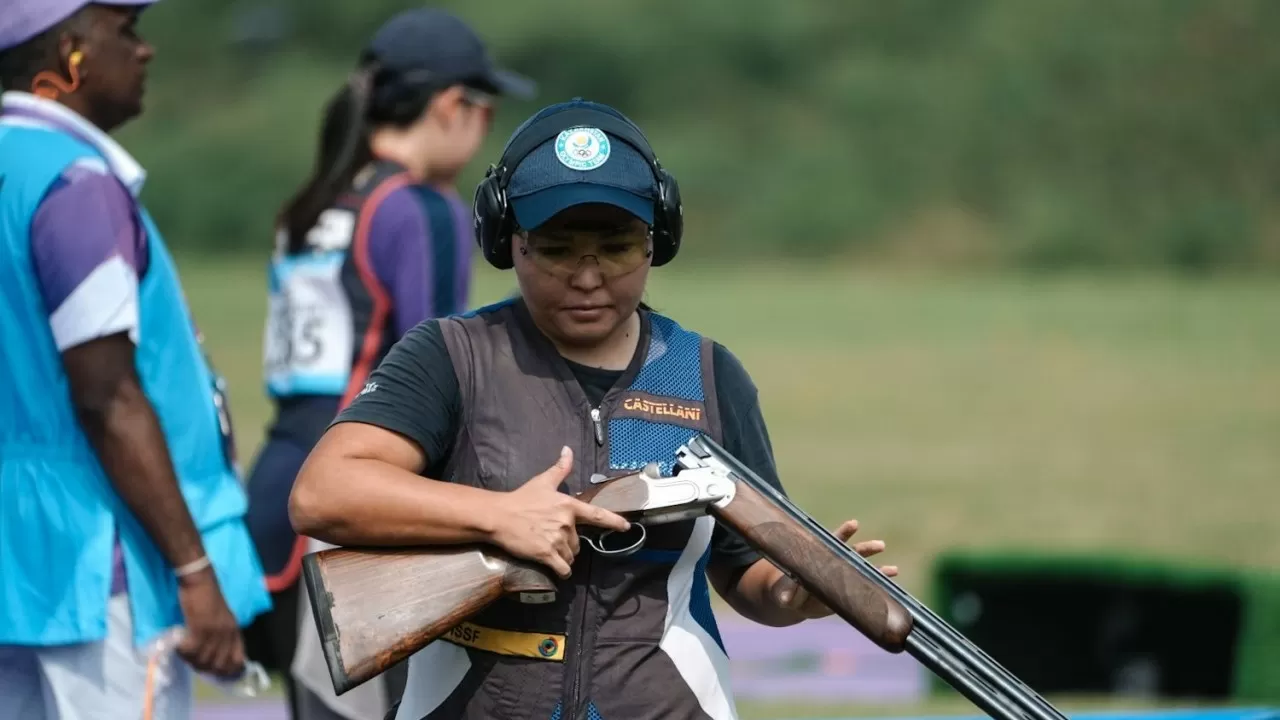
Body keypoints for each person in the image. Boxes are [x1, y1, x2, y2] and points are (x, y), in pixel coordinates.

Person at [288, 98, 900, 720]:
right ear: (510, 242)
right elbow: (322, 493)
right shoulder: (451, 355)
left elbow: (746, 572)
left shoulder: (711, 374)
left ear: (656, 242)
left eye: (617, 246)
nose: (588, 276)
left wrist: (791, 593)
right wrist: (499, 516)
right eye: (558, 248)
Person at [241, 8, 536, 720]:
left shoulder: (312, 205)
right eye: (484, 108)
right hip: (361, 507)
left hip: (278, 495)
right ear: (449, 106)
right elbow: (442, 379)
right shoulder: (419, 208)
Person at [0, 2, 272, 718]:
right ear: (70, 53)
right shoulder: (75, 184)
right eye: (125, 32)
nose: (145, 52)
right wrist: (194, 569)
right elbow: (106, 395)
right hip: (99, 563)